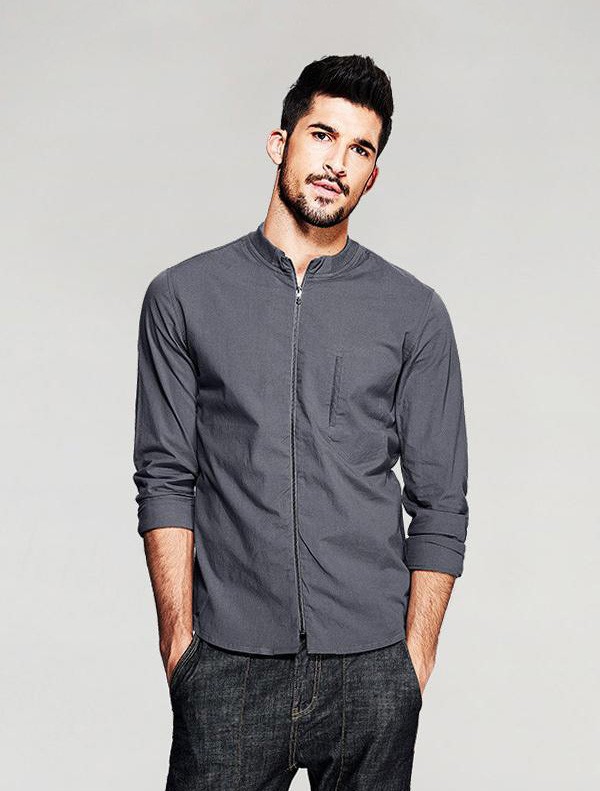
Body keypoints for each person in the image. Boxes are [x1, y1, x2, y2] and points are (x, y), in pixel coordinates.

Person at [133, 53, 469, 791]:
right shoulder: (183, 296)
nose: (336, 163)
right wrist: (179, 644)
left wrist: (413, 662)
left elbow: (442, 502)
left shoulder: (414, 312)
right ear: (279, 142)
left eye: (360, 149)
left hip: (373, 669)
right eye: (322, 135)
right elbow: (165, 479)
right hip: (228, 666)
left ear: (373, 175)